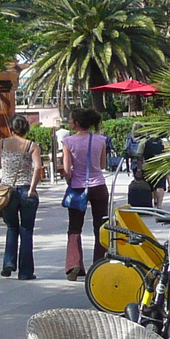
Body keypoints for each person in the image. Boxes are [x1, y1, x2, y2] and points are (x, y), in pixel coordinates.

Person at [61, 107, 112, 280]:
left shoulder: (68, 142)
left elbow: (67, 170)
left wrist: (69, 178)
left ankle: (74, 265)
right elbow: (103, 164)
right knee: (100, 226)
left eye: (70, 119)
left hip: (77, 187)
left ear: (76, 123)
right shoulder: (101, 140)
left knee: (74, 228)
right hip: (99, 186)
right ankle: (99, 264)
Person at [0, 115, 42, 280]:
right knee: (27, 230)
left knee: (11, 227)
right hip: (26, 190)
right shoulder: (32, 146)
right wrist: (33, 188)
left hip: (7, 192)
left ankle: (9, 263)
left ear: (12, 129)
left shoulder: (1, 144)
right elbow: (38, 168)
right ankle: (26, 272)